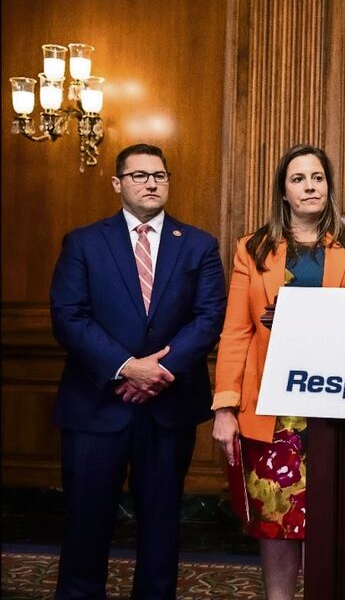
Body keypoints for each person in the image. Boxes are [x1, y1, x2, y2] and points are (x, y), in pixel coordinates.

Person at [49, 143, 227, 599]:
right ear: (117, 183)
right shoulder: (84, 242)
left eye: (160, 176)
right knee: (86, 524)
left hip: (167, 409)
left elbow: (209, 318)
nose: (151, 183)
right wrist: (127, 367)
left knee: (161, 524)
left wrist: (156, 372)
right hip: (94, 407)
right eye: (140, 175)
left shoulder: (200, 245)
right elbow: (69, 315)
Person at [211, 143, 345, 600]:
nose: (310, 186)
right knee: (276, 519)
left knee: (336, 517)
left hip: (339, 407)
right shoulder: (255, 249)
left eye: (318, 178)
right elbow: (236, 332)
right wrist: (225, 407)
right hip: (273, 409)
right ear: (283, 192)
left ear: (329, 186)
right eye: (298, 179)